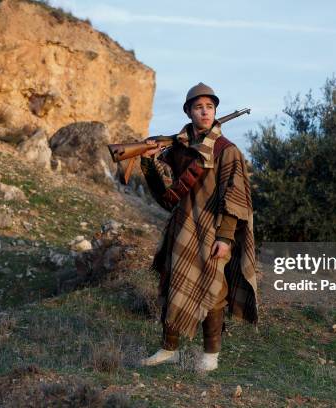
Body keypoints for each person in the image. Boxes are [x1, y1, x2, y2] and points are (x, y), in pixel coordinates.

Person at [138, 83, 258, 372]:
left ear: (215, 111)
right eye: (198, 107)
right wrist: (149, 161)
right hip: (181, 227)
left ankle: (210, 355)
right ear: (189, 112)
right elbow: (166, 195)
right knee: (171, 284)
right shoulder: (177, 149)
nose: (205, 112)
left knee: (215, 290)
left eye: (209, 107)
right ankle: (169, 349)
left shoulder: (226, 150)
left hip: (214, 230)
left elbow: (235, 195)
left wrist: (226, 237)